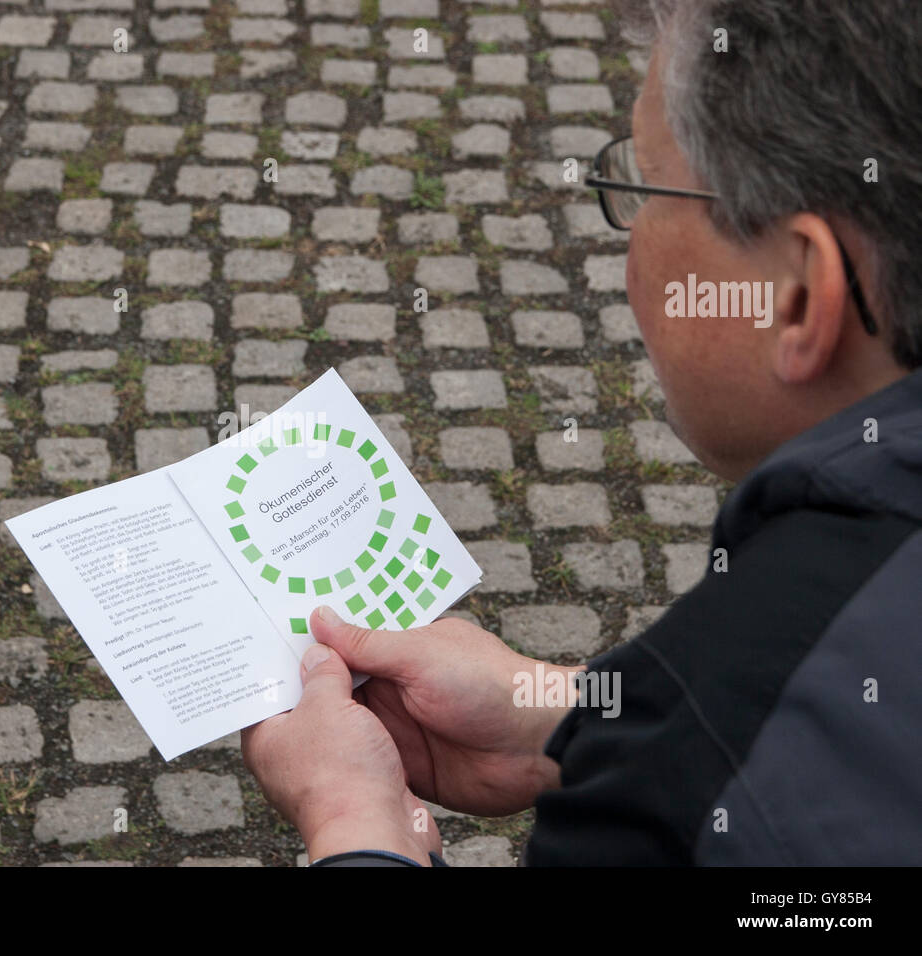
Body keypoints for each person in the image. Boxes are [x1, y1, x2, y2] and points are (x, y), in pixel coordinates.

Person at [241, 0, 922, 866]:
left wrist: (354, 824)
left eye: (647, 188)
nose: (630, 236)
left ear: (796, 294)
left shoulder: (670, 823)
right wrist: (572, 719)